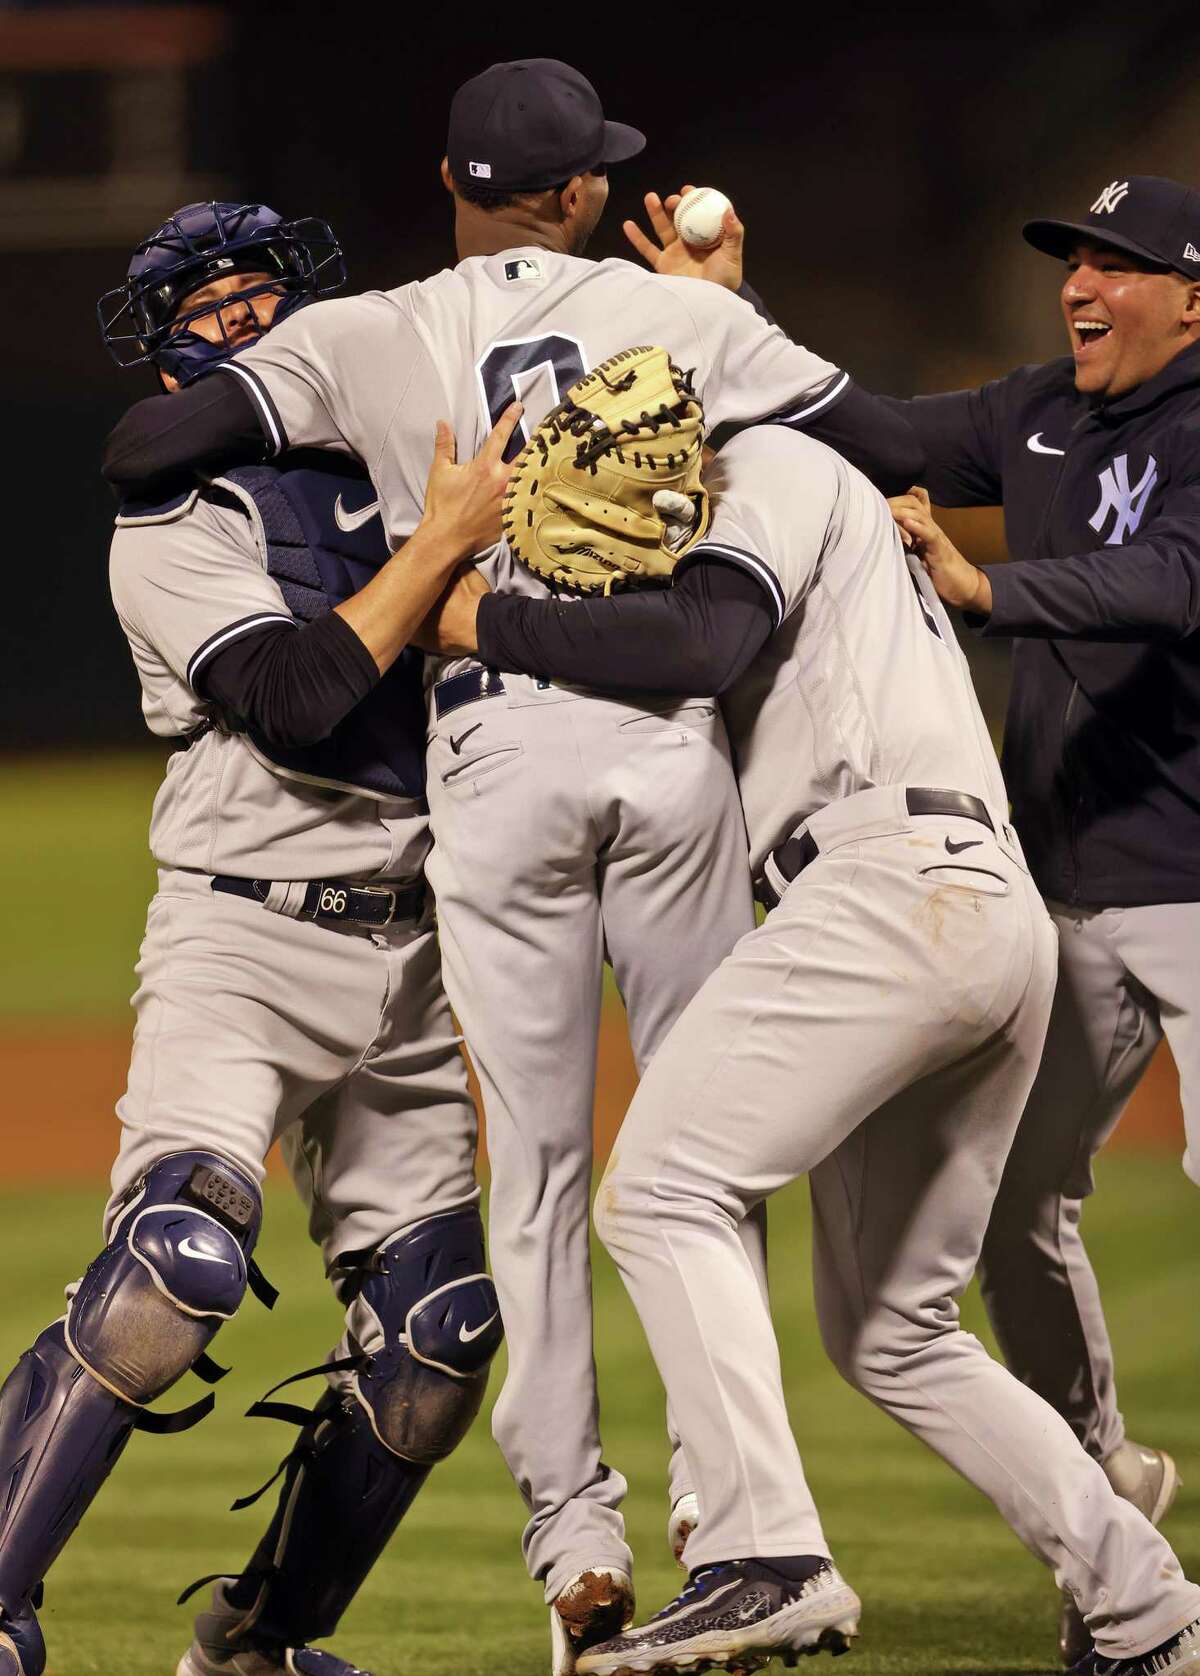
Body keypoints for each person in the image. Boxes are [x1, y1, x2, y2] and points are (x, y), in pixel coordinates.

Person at [95, 59, 925, 1676]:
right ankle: (733, 1518)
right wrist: (709, 310)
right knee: (698, 1157)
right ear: (566, 198)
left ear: (456, 190)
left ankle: (574, 1547)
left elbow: (146, 446)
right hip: (665, 750)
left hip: (490, 765)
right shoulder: (667, 308)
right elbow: (899, 435)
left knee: (538, 1181)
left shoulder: (373, 331)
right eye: (596, 175)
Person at [419, 422, 1200, 1676]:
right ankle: (1145, 1605)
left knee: (661, 1192)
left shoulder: (775, 463)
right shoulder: (774, 511)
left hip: (891, 883)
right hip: (969, 900)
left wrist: (476, 625)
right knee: (892, 1326)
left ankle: (760, 1551)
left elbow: (698, 640)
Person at [0, 200, 515, 1676]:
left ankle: (260, 1644)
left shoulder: (407, 448)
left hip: (416, 958)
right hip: (246, 933)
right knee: (176, 1268)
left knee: (440, 1341)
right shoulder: (173, 524)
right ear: (170, 368)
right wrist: (448, 549)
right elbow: (297, 695)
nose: (240, 323)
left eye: (257, 297)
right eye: (205, 311)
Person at [886, 173, 1200, 1667]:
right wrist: (713, 314)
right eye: (1076, 257)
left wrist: (989, 583)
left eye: (1121, 264)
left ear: (1193, 297)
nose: (1083, 283)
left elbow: (1170, 581)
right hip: (1067, 898)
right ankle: (1104, 1512)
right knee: (1008, 1212)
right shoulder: (1035, 416)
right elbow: (872, 428)